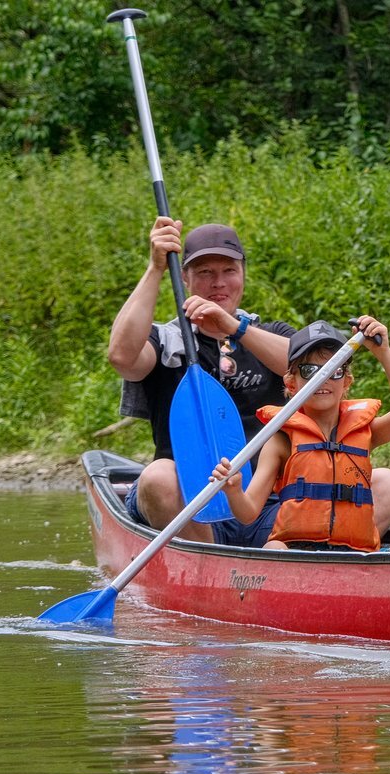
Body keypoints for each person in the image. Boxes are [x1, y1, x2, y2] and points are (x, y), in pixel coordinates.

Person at [108, 216, 296, 546]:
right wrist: (155, 268)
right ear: (185, 278)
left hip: (266, 503)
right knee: (157, 477)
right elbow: (122, 357)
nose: (218, 283)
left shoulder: (272, 335)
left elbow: (310, 367)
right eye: (205, 273)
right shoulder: (165, 341)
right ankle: (209, 563)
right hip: (189, 506)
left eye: (228, 271)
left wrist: (234, 327)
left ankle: (275, 561)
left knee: (383, 486)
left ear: (243, 275)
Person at [210, 318, 390, 551]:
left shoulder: (363, 431)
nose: (324, 378)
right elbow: (248, 513)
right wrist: (234, 490)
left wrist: (384, 353)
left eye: (334, 369)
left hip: (349, 552)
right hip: (298, 551)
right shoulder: (281, 440)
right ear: (291, 384)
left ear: (346, 382)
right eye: (310, 370)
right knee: (274, 548)